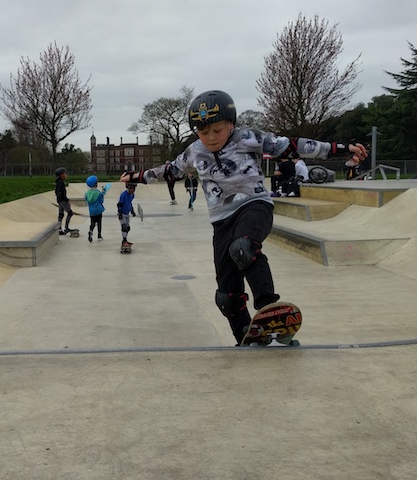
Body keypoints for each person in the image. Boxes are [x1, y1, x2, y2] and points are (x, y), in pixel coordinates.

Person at [119, 90, 367, 345]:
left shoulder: (247, 138)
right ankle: (245, 337)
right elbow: (170, 171)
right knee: (226, 296)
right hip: (221, 221)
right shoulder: (194, 151)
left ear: (231, 124)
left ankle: (270, 309)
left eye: (217, 130)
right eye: (203, 133)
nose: (211, 138)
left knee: (243, 247)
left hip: (254, 206)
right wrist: (137, 176)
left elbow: (292, 146)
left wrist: (340, 149)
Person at [85, 175, 106, 242]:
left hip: (92, 211)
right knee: (99, 223)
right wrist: (102, 194)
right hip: (98, 211)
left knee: (92, 223)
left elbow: (87, 201)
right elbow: (101, 201)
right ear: (95, 184)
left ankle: (91, 231)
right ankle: (99, 235)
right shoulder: (98, 193)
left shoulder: (86, 193)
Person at [117, 182, 137, 250]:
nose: (133, 190)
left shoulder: (132, 195)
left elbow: (129, 203)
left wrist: (132, 211)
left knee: (128, 228)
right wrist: (119, 213)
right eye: (132, 189)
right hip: (122, 213)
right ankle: (124, 240)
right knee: (124, 227)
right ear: (128, 188)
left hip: (127, 213)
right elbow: (119, 204)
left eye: (134, 189)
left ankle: (125, 239)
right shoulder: (123, 194)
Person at [54, 167, 74, 234]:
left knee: (61, 214)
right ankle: (66, 228)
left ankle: (59, 229)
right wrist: (66, 200)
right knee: (70, 213)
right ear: (61, 175)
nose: (66, 175)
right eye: (65, 174)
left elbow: (56, 192)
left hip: (60, 200)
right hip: (62, 200)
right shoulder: (61, 183)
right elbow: (61, 193)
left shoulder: (58, 182)